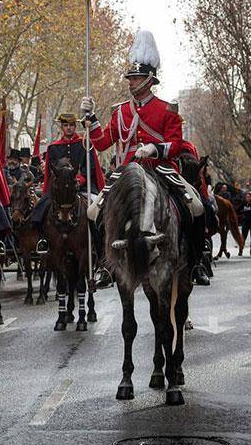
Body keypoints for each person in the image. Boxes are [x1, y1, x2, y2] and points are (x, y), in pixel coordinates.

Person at [83, 29, 206, 283]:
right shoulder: (120, 112)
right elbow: (103, 142)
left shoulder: (167, 110)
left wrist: (154, 149)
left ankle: (195, 262)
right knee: (94, 211)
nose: (130, 82)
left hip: (160, 170)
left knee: (195, 207)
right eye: (130, 77)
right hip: (127, 173)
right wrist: (91, 118)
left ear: (149, 79)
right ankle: (105, 266)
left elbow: (176, 144)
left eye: (136, 77)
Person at [32, 112, 105, 253]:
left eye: (72, 125)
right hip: (59, 190)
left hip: (83, 187)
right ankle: (43, 240)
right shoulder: (53, 148)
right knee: (39, 210)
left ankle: (99, 245)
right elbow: (50, 171)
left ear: (75, 126)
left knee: (97, 210)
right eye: (66, 125)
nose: (69, 128)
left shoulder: (85, 144)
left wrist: (78, 180)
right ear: (61, 127)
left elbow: (90, 168)